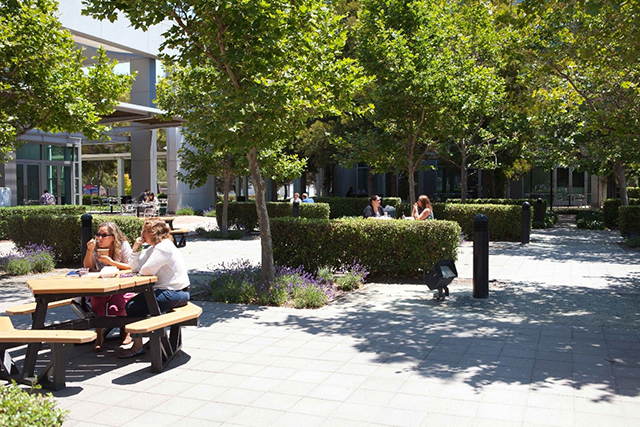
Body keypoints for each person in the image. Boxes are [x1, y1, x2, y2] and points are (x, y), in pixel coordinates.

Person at [119, 218, 190, 358]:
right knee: (138, 305)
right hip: (169, 291)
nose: (142, 234)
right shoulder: (153, 248)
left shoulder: (164, 247)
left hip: (176, 292)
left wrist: (140, 270)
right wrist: (135, 248)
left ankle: (138, 346)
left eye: (145, 231)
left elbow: (146, 270)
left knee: (133, 307)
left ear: (154, 232)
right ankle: (152, 339)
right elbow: (134, 267)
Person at [83, 222, 134, 352]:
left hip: (121, 285)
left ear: (113, 237)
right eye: (98, 234)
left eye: (104, 235)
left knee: (116, 306)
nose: (99, 238)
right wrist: (89, 251)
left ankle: (126, 331)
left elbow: (131, 266)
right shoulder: (96, 248)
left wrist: (112, 263)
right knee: (97, 301)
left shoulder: (123, 246)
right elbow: (88, 267)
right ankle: (100, 336)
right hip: (102, 284)